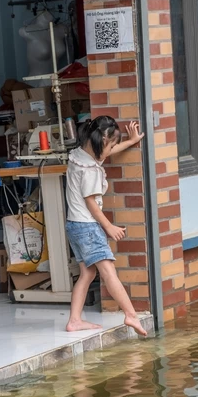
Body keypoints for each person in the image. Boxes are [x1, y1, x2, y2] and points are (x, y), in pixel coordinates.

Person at [64, 116, 148, 336]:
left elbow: (106, 152)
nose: (111, 149)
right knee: (109, 271)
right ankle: (131, 315)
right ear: (101, 139)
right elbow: (90, 202)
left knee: (87, 273)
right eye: (111, 144)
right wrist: (108, 227)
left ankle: (74, 320)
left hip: (74, 225)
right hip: (88, 227)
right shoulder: (90, 169)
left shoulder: (79, 156)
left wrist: (131, 141)